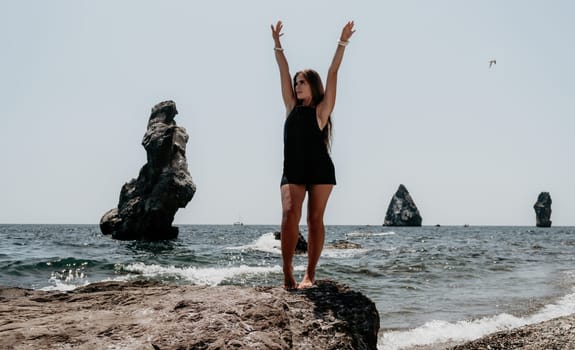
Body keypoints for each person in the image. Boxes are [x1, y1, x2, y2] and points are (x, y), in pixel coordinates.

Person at [271, 20, 355, 289]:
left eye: (302, 82)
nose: (297, 86)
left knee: (314, 219)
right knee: (289, 213)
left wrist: (342, 42)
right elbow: (282, 69)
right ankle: (287, 272)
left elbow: (333, 72)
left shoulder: (321, 110)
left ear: (312, 85)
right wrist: (278, 45)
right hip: (293, 169)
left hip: (320, 169)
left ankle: (310, 274)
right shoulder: (290, 105)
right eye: (296, 83)